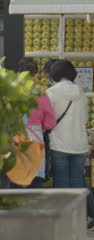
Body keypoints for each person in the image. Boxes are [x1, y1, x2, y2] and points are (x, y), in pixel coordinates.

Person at [46, 59, 94, 231]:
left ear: (54, 75)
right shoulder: (81, 93)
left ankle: (65, 223)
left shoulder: (50, 93)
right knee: (77, 183)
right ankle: (83, 219)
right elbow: (85, 120)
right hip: (79, 145)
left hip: (59, 144)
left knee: (62, 184)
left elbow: (48, 121)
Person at [9, 58, 56, 189]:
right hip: (35, 137)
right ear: (36, 74)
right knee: (35, 179)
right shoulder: (41, 94)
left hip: (15, 137)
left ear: (19, 73)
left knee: (16, 177)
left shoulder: (11, 92)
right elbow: (50, 123)